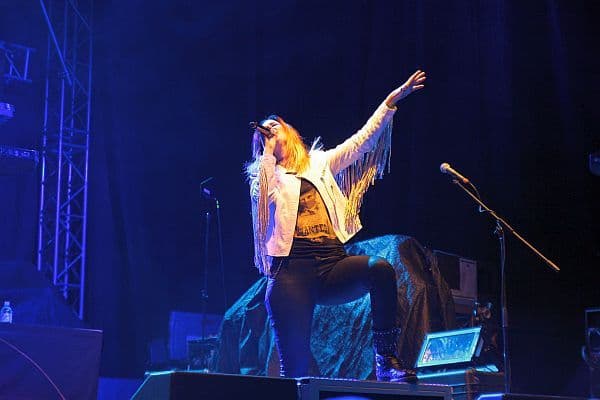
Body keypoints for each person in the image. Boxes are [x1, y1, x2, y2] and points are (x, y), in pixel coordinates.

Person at [245, 70, 426, 382]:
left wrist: (391, 101)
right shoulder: (264, 175)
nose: (270, 130)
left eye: (276, 126)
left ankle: (385, 361)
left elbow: (361, 143)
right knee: (295, 371)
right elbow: (262, 198)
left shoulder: (318, 163)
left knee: (380, 270)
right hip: (292, 272)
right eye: (265, 131)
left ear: (290, 132)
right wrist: (268, 155)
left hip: (331, 263)